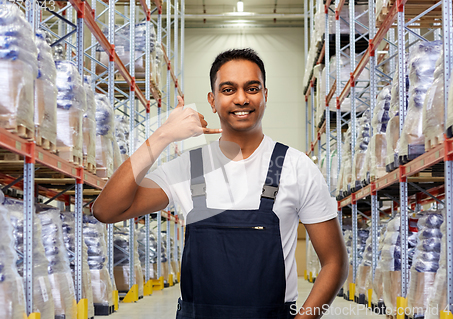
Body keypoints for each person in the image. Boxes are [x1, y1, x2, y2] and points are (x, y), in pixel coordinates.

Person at [93, 48, 348, 319]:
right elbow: (107, 210)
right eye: (228, 89)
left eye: (252, 88)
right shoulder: (188, 168)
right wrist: (162, 136)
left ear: (265, 95)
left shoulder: (296, 167)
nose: (241, 98)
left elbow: (334, 263)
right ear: (212, 101)